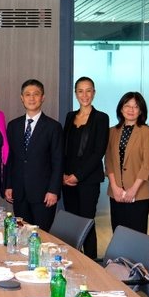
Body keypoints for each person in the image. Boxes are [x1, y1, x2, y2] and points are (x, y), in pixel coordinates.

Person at [4, 79, 63, 231]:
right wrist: (8, 185)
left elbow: (58, 161)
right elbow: (11, 159)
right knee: (22, 233)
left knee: (41, 235)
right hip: (19, 193)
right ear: (22, 98)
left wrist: (53, 190)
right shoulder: (13, 125)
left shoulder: (53, 127)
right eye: (27, 94)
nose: (32, 98)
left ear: (42, 97)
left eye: (36, 94)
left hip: (44, 194)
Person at [61, 77, 109, 258]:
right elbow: (64, 148)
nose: (85, 95)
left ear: (94, 93)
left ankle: (91, 260)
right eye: (80, 91)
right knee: (72, 222)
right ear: (75, 94)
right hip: (67, 179)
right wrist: (63, 174)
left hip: (88, 179)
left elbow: (98, 152)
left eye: (88, 90)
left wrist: (78, 176)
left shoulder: (101, 118)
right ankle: (73, 259)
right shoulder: (70, 116)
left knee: (87, 222)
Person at [105, 92, 149, 233]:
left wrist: (133, 189)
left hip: (139, 193)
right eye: (127, 106)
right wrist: (114, 187)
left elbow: (147, 163)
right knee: (118, 232)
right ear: (121, 109)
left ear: (141, 111)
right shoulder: (112, 132)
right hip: (116, 192)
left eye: (136, 107)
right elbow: (108, 160)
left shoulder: (146, 132)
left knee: (136, 234)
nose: (131, 110)